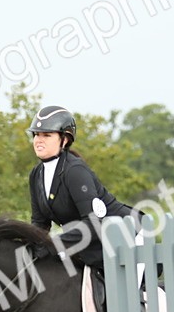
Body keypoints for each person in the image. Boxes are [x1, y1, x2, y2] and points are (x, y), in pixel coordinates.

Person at [27, 105, 137, 275]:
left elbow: (94, 222)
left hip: (127, 239)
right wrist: (30, 245)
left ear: (64, 140)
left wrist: (55, 244)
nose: (39, 140)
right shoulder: (36, 174)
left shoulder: (75, 171)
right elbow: (40, 223)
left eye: (47, 135)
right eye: (36, 134)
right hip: (90, 248)